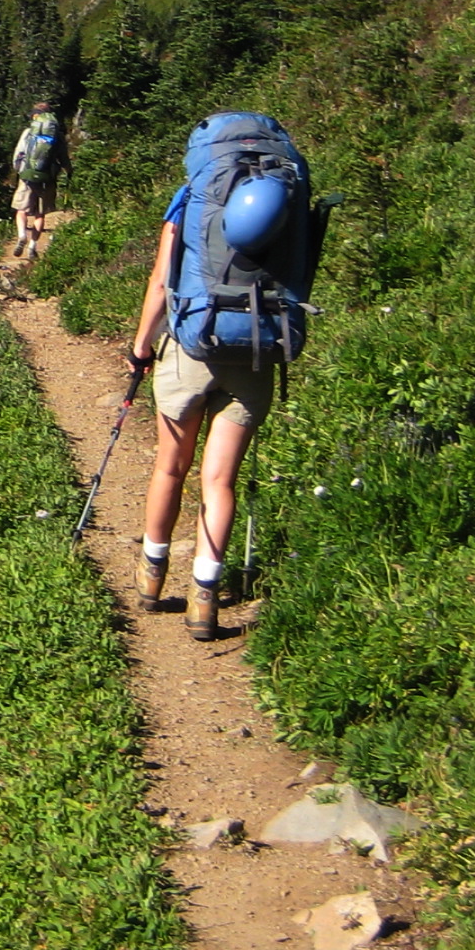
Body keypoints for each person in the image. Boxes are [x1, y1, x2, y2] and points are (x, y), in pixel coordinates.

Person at [125, 114, 316, 640]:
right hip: (258, 347)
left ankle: (152, 574)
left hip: (194, 348)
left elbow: (162, 282)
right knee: (220, 480)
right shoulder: (287, 195)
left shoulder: (192, 196)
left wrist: (142, 347)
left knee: (171, 467)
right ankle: (205, 599)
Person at [8, 101, 62, 260]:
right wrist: (67, 171)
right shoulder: (56, 135)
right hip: (47, 177)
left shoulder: (28, 132)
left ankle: (22, 235)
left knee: (21, 209)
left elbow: (18, 153)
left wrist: (18, 170)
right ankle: (32, 246)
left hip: (27, 174)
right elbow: (63, 158)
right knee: (40, 214)